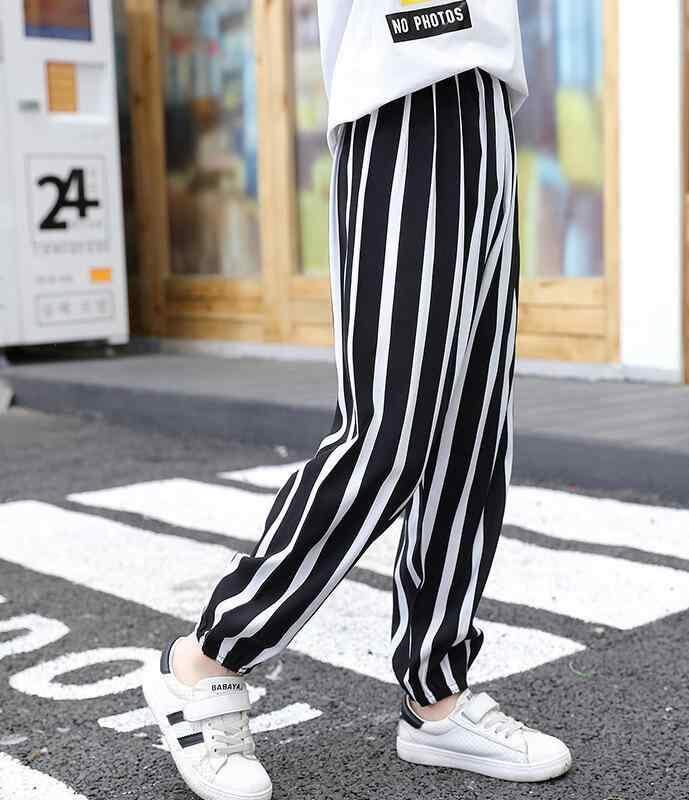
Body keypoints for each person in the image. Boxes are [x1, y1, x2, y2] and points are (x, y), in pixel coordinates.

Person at [143, 3, 572, 798]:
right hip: (400, 92)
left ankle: (436, 697)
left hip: (488, 100)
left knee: (472, 433)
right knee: (390, 432)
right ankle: (206, 660)